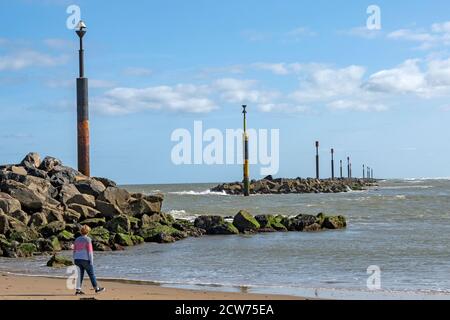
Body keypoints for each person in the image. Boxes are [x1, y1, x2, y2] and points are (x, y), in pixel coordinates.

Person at [73, 225, 105, 295]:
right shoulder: (88, 239)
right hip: (85, 260)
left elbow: (74, 251)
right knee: (91, 274)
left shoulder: (77, 239)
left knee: (79, 275)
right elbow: (90, 252)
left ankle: (78, 290)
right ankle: (97, 288)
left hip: (77, 259)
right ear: (88, 232)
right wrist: (91, 261)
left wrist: (74, 259)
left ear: (81, 231)